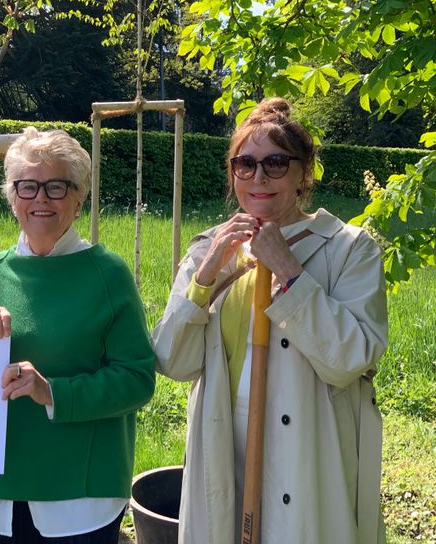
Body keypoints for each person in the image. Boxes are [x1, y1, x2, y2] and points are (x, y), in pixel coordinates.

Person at [152, 97, 388, 544]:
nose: (259, 177)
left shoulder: (348, 249)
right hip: (224, 434)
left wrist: (290, 272)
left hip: (310, 443)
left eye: (276, 163)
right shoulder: (208, 249)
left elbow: (349, 359)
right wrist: (204, 281)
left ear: (304, 174)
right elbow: (173, 361)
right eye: (245, 163)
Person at [0, 127, 156, 543]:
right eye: (27, 186)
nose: (40, 198)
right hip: (6, 490)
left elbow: (138, 379)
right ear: (11, 195)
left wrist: (52, 391)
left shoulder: (107, 274)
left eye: (56, 186)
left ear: (79, 197)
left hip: (80, 495)